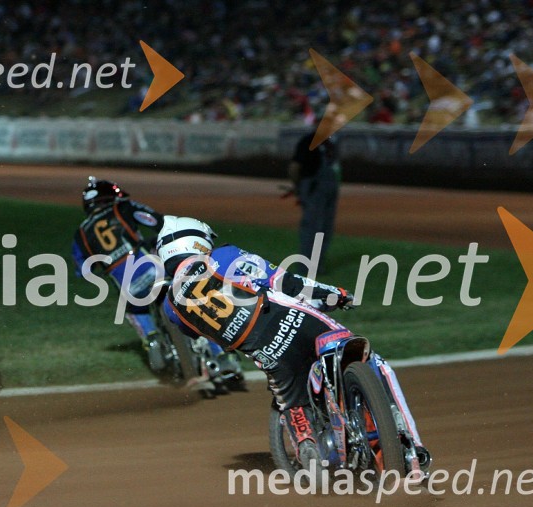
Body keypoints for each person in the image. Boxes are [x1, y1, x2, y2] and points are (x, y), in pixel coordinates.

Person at [157, 216, 428, 470]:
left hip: (264, 352)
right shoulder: (220, 256)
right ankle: (412, 449)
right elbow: (283, 281)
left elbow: (199, 335)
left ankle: (305, 439)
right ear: (195, 240)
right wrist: (336, 295)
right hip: (294, 321)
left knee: (289, 399)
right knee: (370, 360)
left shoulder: (171, 307)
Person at [71, 177, 243, 388]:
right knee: (191, 302)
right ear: (111, 197)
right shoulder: (123, 207)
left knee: (133, 310)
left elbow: (82, 270)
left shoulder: (80, 234)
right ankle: (221, 355)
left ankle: (152, 338)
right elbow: (158, 222)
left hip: (129, 286)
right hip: (154, 269)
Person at [287, 131, 341, 272]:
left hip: (328, 188)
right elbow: (294, 167)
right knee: (312, 227)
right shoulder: (309, 140)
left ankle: (317, 265)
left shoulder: (331, 142)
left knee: (325, 228)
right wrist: (298, 186)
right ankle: (305, 267)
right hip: (314, 187)